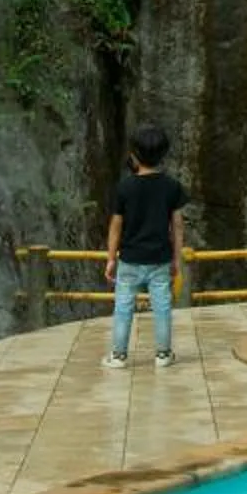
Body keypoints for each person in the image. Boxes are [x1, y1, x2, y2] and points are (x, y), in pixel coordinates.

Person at [103, 123, 188, 370]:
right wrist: (177, 260)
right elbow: (178, 226)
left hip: (129, 259)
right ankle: (163, 355)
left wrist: (110, 258)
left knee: (123, 307)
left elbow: (115, 226)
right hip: (160, 259)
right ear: (164, 154)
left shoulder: (125, 187)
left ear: (134, 154)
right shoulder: (172, 186)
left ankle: (118, 356)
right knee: (162, 307)